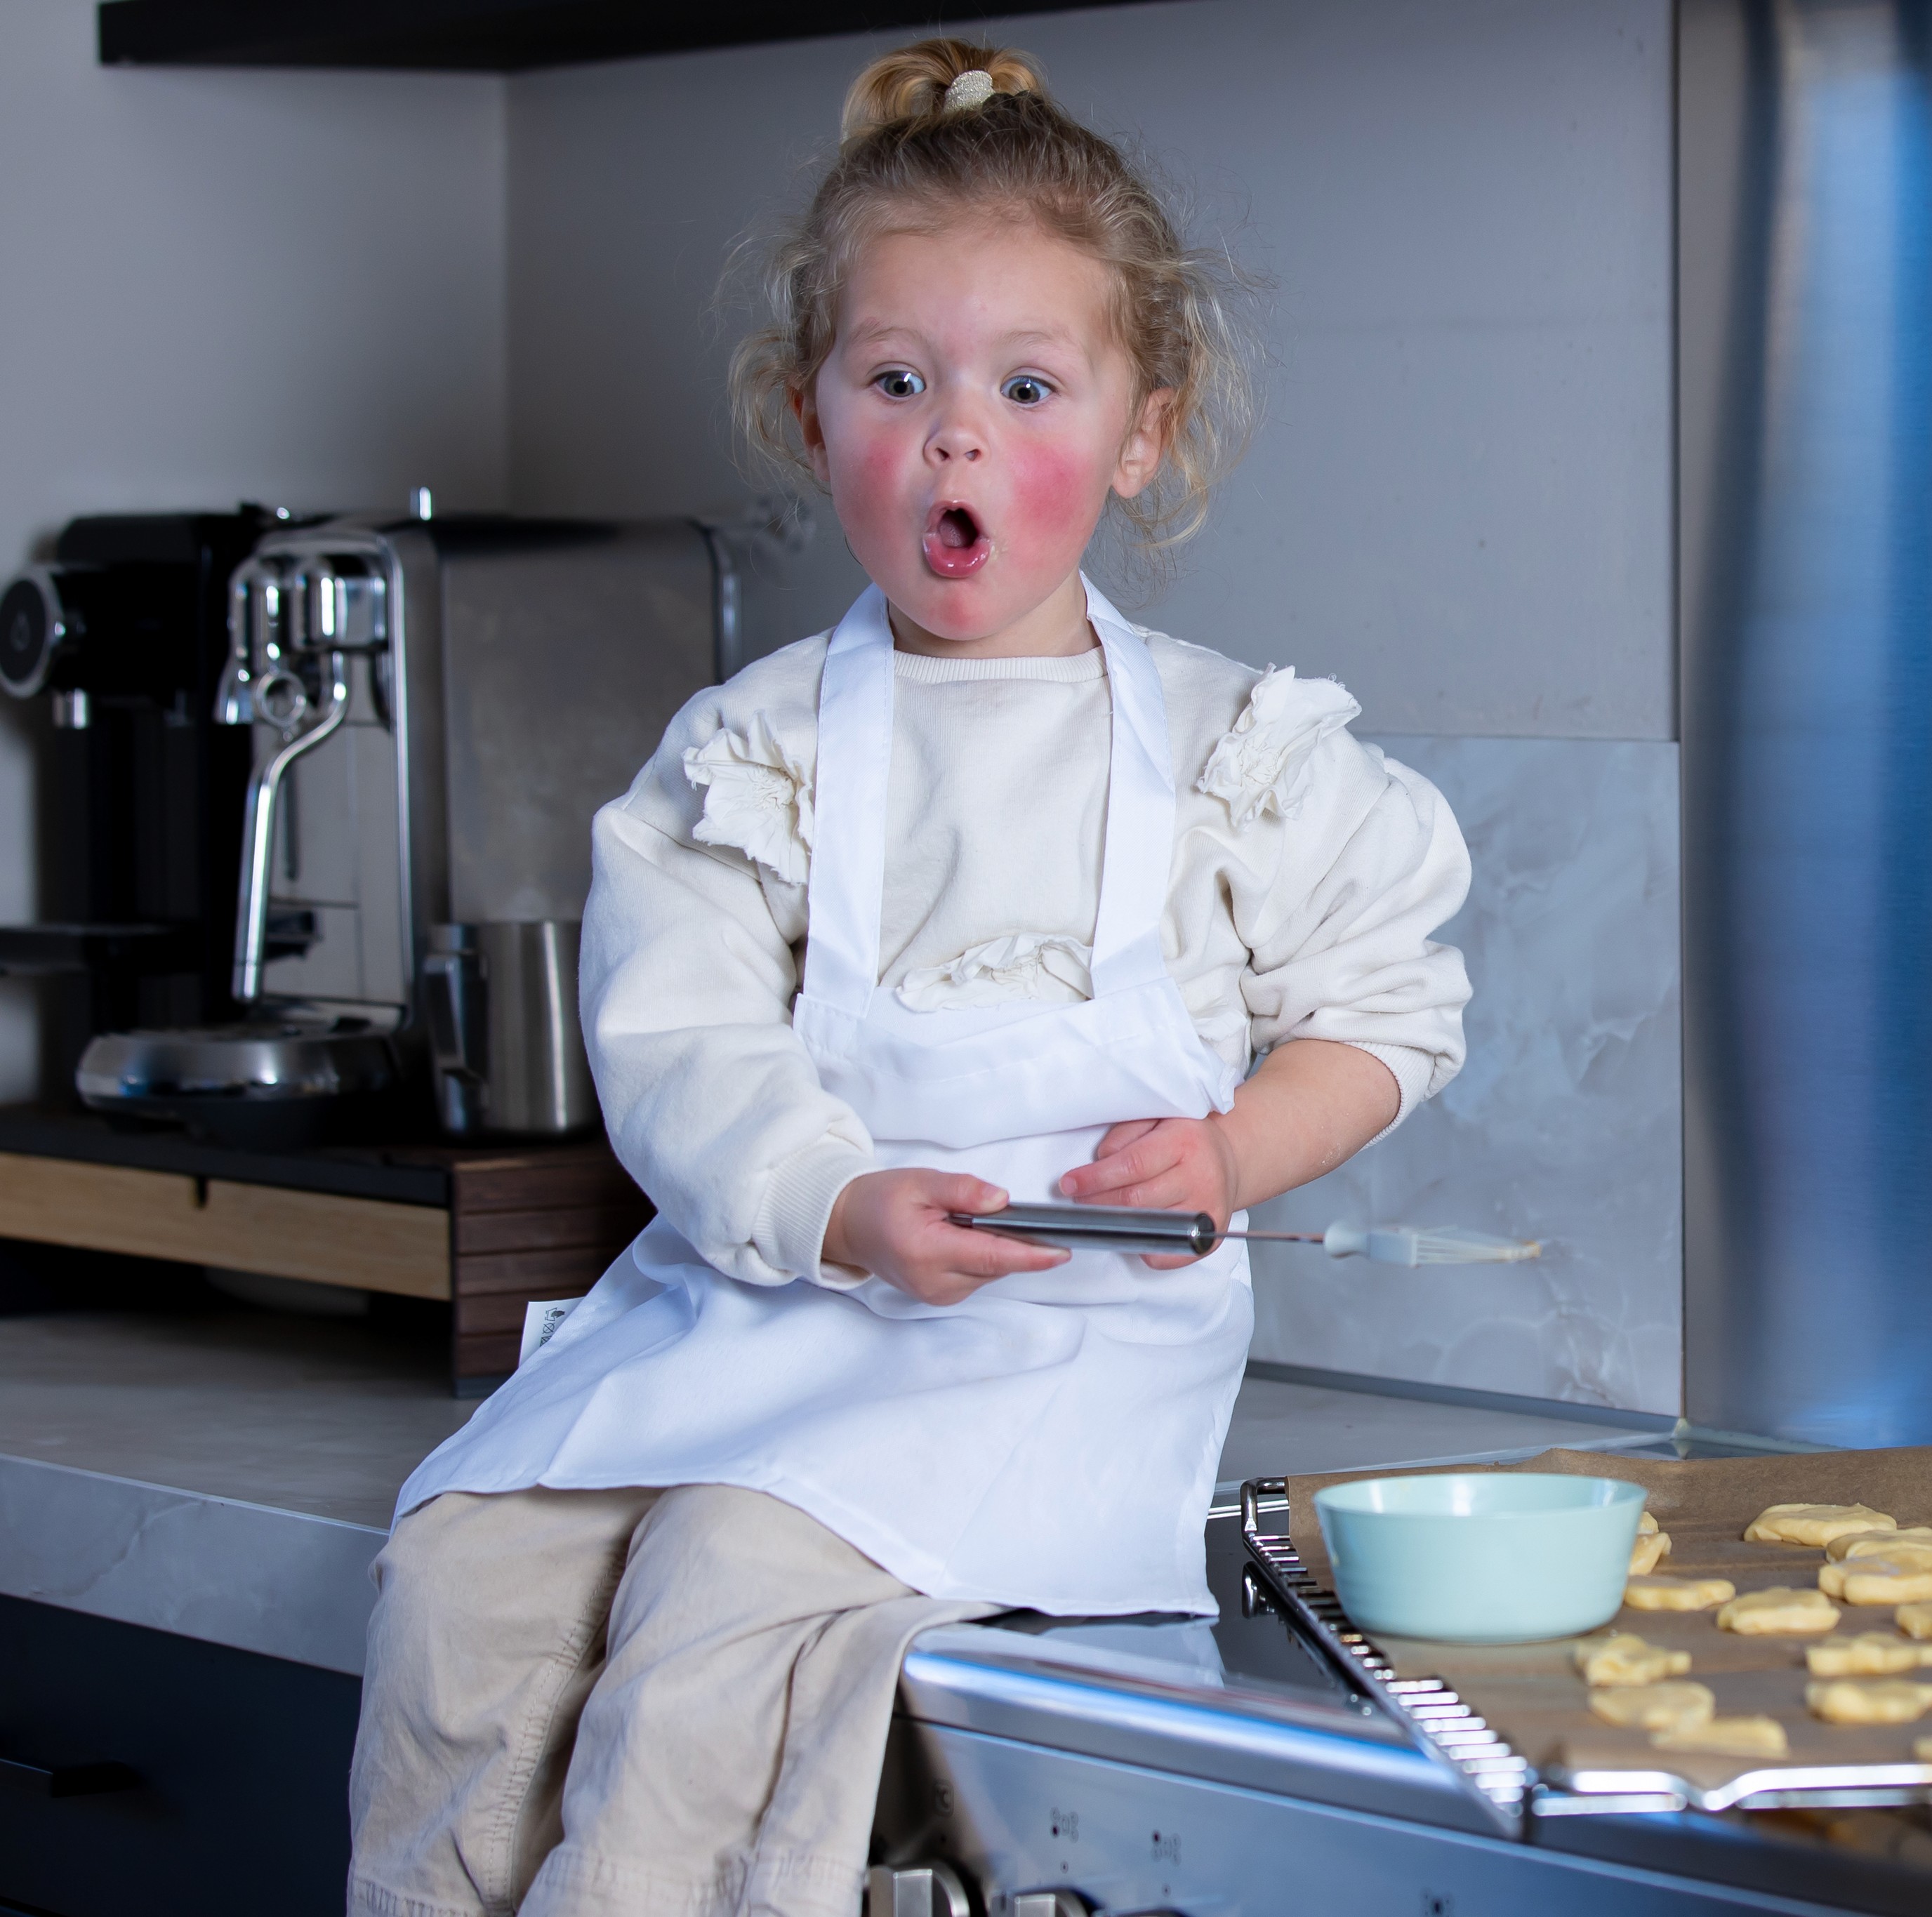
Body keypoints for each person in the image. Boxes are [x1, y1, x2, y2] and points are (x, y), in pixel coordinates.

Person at [345, 39, 1471, 1917]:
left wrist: (1229, 1155)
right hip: (764, 1295)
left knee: (731, 1588)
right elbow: (682, 1043)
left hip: (1052, 1346)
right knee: (462, 1574)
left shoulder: (1234, 754)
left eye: (1026, 386)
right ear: (811, 422)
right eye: (897, 381)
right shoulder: (753, 752)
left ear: (1141, 434)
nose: (956, 435)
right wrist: (838, 1204)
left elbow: (1387, 1007)